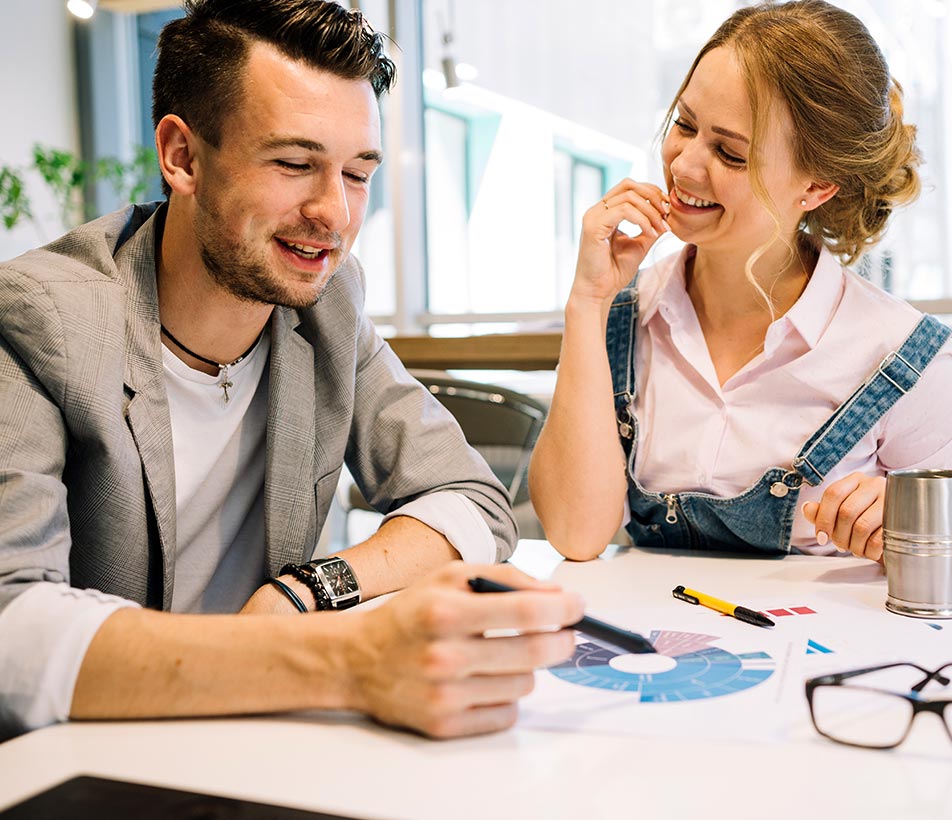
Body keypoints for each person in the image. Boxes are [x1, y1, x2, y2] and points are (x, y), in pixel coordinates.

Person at [0, 0, 583, 742]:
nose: (334, 213)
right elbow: (11, 625)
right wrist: (345, 659)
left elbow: (472, 499)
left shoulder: (325, 306)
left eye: (357, 174)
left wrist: (308, 589)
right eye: (294, 164)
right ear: (181, 156)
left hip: (258, 737)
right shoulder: (36, 319)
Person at [529, 0, 952, 563]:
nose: (682, 166)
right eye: (684, 124)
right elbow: (576, 535)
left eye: (730, 153)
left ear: (817, 187)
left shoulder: (904, 356)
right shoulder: (622, 316)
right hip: (655, 647)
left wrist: (905, 521)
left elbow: (940, 561)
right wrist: (588, 303)